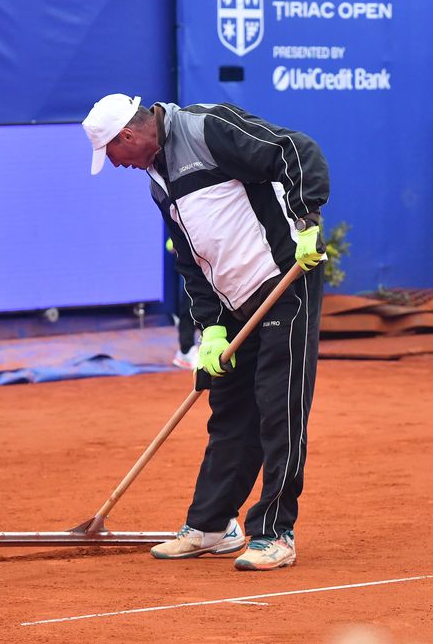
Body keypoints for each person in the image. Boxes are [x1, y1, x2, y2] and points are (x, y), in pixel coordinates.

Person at [81, 94, 329, 571]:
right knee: (230, 412)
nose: (113, 165)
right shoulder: (157, 178)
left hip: (284, 279)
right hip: (232, 301)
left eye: (110, 155)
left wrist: (306, 221)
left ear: (127, 137)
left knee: (280, 409)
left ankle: (275, 533)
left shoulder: (206, 128)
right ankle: (211, 526)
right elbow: (189, 259)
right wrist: (211, 328)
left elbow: (297, 150)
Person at [167, 236, 199, 369]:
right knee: (189, 307)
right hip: (193, 272)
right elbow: (170, 245)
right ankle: (185, 351)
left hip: (212, 269)